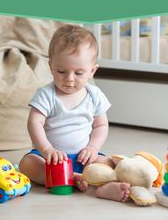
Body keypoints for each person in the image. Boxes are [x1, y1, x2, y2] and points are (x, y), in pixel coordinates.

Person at [19, 24, 131, 202]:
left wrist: (93, 148)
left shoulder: (94, 95)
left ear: (92, 71)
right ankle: (72, 178)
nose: (69, 79)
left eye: (79, 73)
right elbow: (34, 122)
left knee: (107, 165)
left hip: (84, 157)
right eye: (61, 71)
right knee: (27, 165)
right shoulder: (46, 94)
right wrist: (47, 150)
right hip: (51, 159)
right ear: (51, 67)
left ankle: (105, 188)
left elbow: (100, 125)